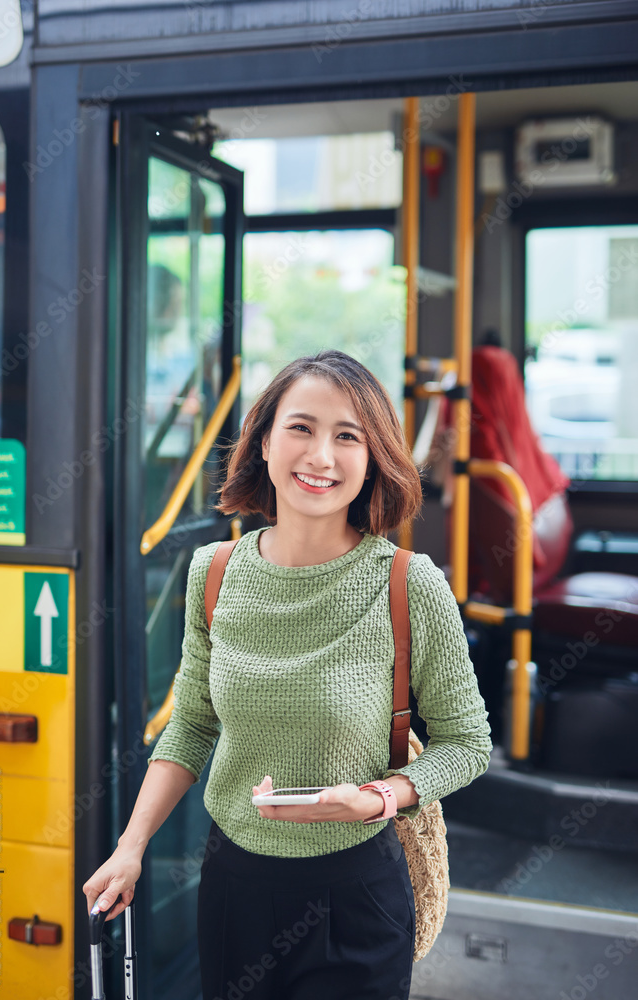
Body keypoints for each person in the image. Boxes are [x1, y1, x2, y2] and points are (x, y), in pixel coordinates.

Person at [83, 349, 492, 1000]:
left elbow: (467, 746)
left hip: (355, 890)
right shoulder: (211, 573)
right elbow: (189, 728)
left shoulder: (408, 584)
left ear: (372, 457)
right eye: (300, 428)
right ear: (264, 441)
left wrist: (379, 798)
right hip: (231, 888)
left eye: (347, 436)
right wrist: (130, 847)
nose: (320, 456)